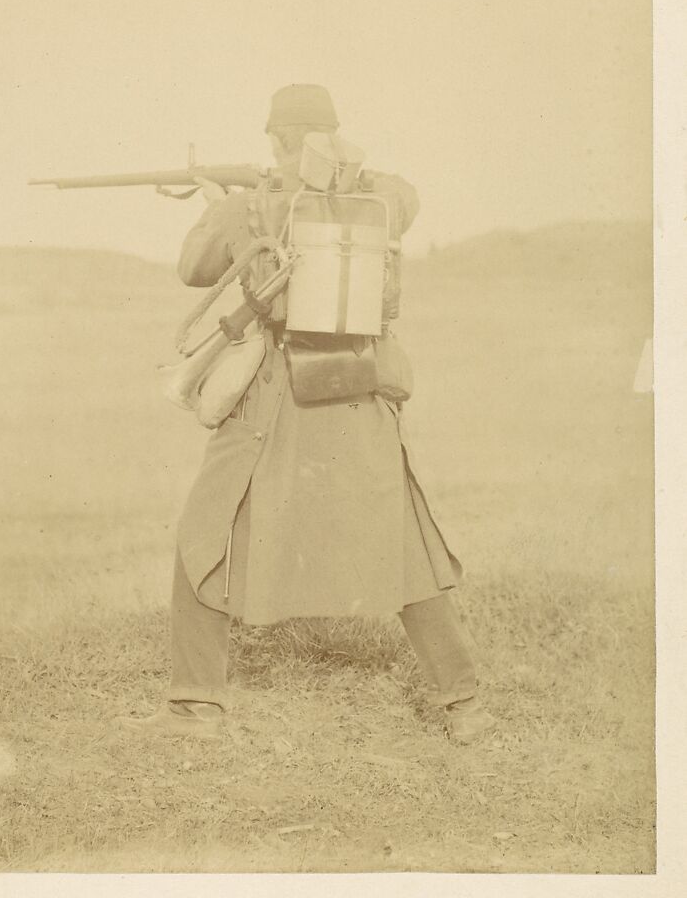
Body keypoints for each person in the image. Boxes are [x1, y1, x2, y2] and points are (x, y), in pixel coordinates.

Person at [126, 84, 495, 746]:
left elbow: (193, 266)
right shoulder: (379, 197)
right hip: (362, 387)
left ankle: (194, 709)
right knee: (404, 542)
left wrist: (223, 202)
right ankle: (462, 705)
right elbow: (404, 196)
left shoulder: (255, 205)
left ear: (277, 140)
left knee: (204, 532)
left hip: (278, 394)